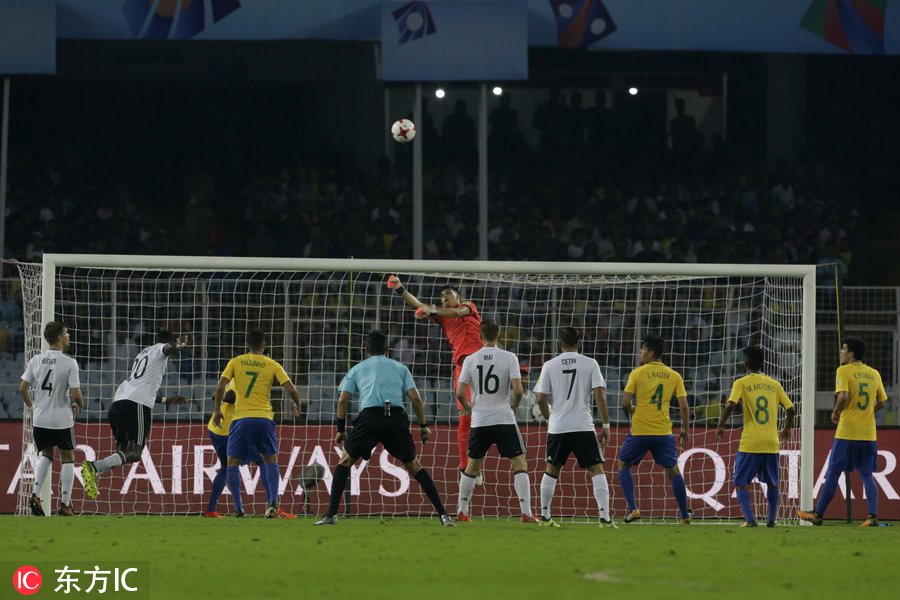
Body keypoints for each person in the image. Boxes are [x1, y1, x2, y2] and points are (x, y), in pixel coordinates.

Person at [315, 330, 455, 526]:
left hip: (369, 418)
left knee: (345, 461)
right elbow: (416, 398)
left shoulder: (357, 369)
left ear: (366, 350)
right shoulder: (400, 368)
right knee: (414, 466)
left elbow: (342, 400)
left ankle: (330, 515)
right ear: (388, 349)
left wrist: (341, 429)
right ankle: (444, 515)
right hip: (395, 418)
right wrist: (423, 425)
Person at [388, 275, 484, 482]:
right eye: (441, 296)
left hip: (485, 366)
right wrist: (400, 289)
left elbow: (458, 311)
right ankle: (466, 467)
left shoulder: (468, 306)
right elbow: (418, 304)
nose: (443, 298)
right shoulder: (442, 316)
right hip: (464, 367)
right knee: (465, 417)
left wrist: (432, 310)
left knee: (491, 416)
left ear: (457, 296)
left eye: (447, 294)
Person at [81, 330, 188, 500]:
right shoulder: (160, 349)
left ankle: (94, 471)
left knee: (123, 452)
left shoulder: (142, 353)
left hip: (119, 402)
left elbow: (141, 383)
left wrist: (166, 400)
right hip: (136, 404)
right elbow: (168, 349)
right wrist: (179, 345)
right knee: (136, 453)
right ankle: (93, 467)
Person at [211, 329, 303, 518]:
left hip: (241, 419)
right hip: (264, 418)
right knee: (270, 459)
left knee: (232, 463)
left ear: (247, 345)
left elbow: (221, 386)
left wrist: (217, 410)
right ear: (264, 346)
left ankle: (238, 507)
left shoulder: (236, 361)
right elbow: (292, 388)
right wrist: (297, 405)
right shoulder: (272, 364)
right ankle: (272, 504)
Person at [454, 319, 538, 523]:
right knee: (519, 463)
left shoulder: (470, 359)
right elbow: (518, 390)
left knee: (472, 466)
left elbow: (459, 392)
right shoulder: (509, 357)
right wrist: (515, 405)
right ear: (499, 336)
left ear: (480, 337)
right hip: (503, 418)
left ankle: (462, 511)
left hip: (480, 419)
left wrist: (468, 407)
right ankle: (526, 513)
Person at [798, 337, 887, 527]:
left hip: (847, 432)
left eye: (843, 349)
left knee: (833, 472)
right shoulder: (874, 373)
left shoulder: (843, 370)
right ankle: (872, 517)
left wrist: (836, 410)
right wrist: (866, 412)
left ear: (851, 354)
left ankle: (818, 514)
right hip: (868, 434)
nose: (841, 352)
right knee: (867, 475)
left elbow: (844, 395)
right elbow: (881, 402)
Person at [533, 327, 613, 528]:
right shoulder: (590, 363)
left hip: (558, 426)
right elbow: (599, 394)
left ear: (560, 344)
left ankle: (545, 516)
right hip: (582, 425)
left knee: (552, 469)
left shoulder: (549, 365)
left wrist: (549, 419)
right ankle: (604, 518)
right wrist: (605, 424)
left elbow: (541, 398)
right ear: (580, 343)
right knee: (596, 469)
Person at [715, 346, 795, 527]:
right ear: (762, 363)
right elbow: (790, 409)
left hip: (750, 443)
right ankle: (772, 520)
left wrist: (721, 426)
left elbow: (730, 405)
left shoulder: (741, 383)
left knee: (740, 482)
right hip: (771, 443)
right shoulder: (774, 384)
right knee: (773, 483)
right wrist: (787, 429)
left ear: (745, 364)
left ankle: (750, 520)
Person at [617, 334, 692, 524]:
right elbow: (684, 406)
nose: (640, 352)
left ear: (650, 353)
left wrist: (633, 409)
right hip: (663, 432)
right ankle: (684, 516)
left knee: (623, 464)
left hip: (640, 431)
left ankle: (633, 509)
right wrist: (685, 428)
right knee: (673, 471)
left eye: (642, 349)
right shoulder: (674, 375)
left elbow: (625, 402)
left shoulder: (637, 373)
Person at [19, 321, 84, 516]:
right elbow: (77, 394)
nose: (68, 335)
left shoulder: (36, 360)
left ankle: (36, 494)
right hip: (61, 419)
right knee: (68, 456)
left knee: (46, 454)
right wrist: (79, 405)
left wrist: (32, 406)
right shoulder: (69, 362)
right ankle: (65, 505)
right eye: (66, 332)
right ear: (59, 338)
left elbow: (22, 389)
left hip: (40, 419)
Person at [203, 381, 267, 518]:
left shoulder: (232, 379)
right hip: (229, 431)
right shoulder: (242, 380)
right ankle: (272, 507)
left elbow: (215, 396)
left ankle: (211, 510)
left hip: (215, 429)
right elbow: (227, 397)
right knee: (264, 460)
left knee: (226, 467)